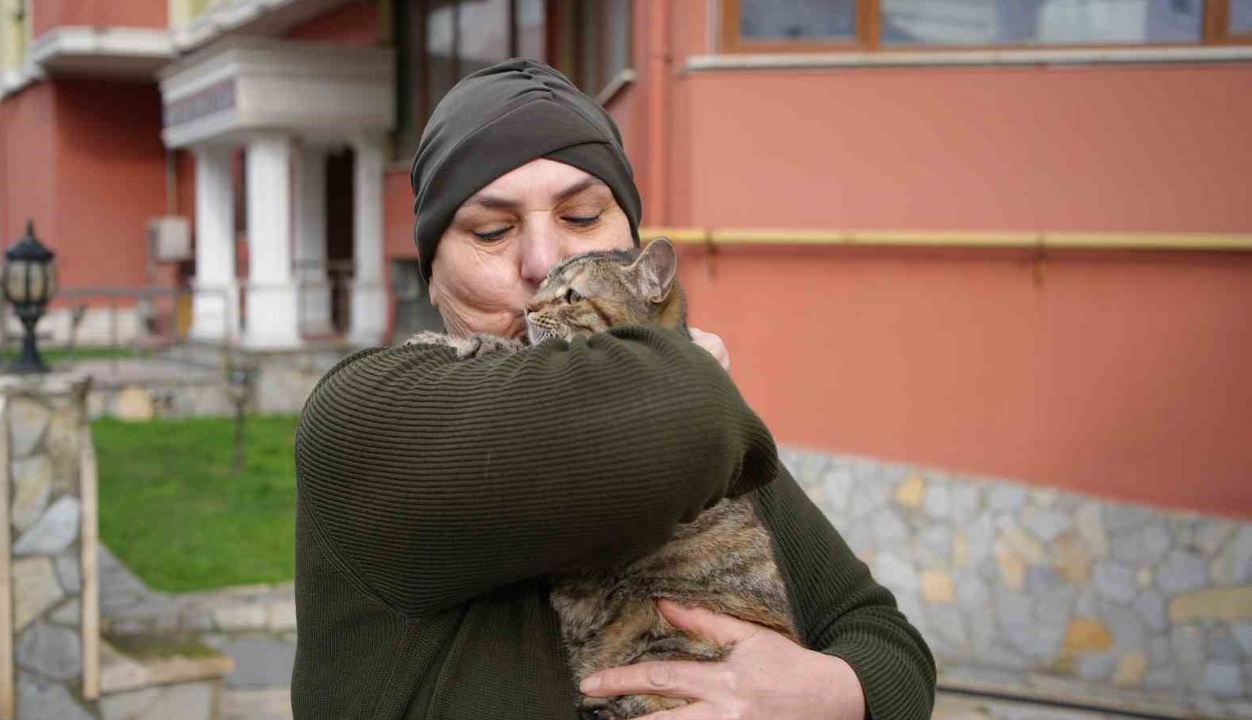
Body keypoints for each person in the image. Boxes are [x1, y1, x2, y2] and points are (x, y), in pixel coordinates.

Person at [292, 58, 935, 720]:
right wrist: (682, 372)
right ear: (431, 271)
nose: (545, 264)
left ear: (633, 249)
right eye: (492, 230)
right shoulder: (364, 415)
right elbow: (674, 417)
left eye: (583, 216)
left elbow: (888, 646)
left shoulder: (701, 422)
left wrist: (823, 691)